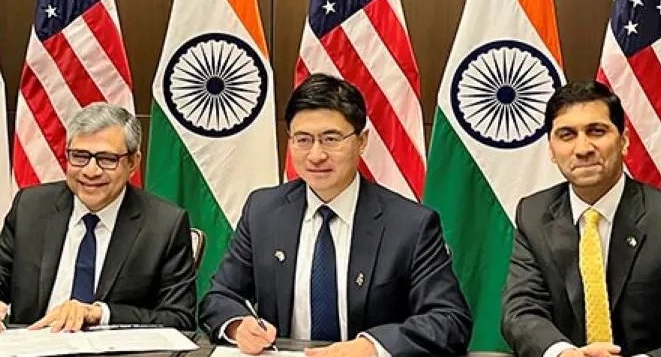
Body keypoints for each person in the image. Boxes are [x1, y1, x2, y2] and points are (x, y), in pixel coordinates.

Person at [199, 74, 472, 357]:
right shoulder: (263, 211)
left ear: (362, 140)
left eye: (330, 139)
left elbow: (449, 319)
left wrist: (373, 347)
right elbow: (220, 296)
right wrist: (237, 326)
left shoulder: (410, 225)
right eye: (303, 140)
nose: (316, 155)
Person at [501, 81, 661, 357]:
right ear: (551, 149)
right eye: (567, 135)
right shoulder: (533, 214)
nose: (582, 149)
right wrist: (562, 353)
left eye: (596, 131)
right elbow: (520, 311)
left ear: (624, 141)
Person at [0, 103, 196, 333]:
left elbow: (179, 318)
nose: (90, 171)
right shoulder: (31, 207)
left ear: (133, 163)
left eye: (107, 159)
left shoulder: (164, 225)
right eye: (80, 156)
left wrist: (99, 313)